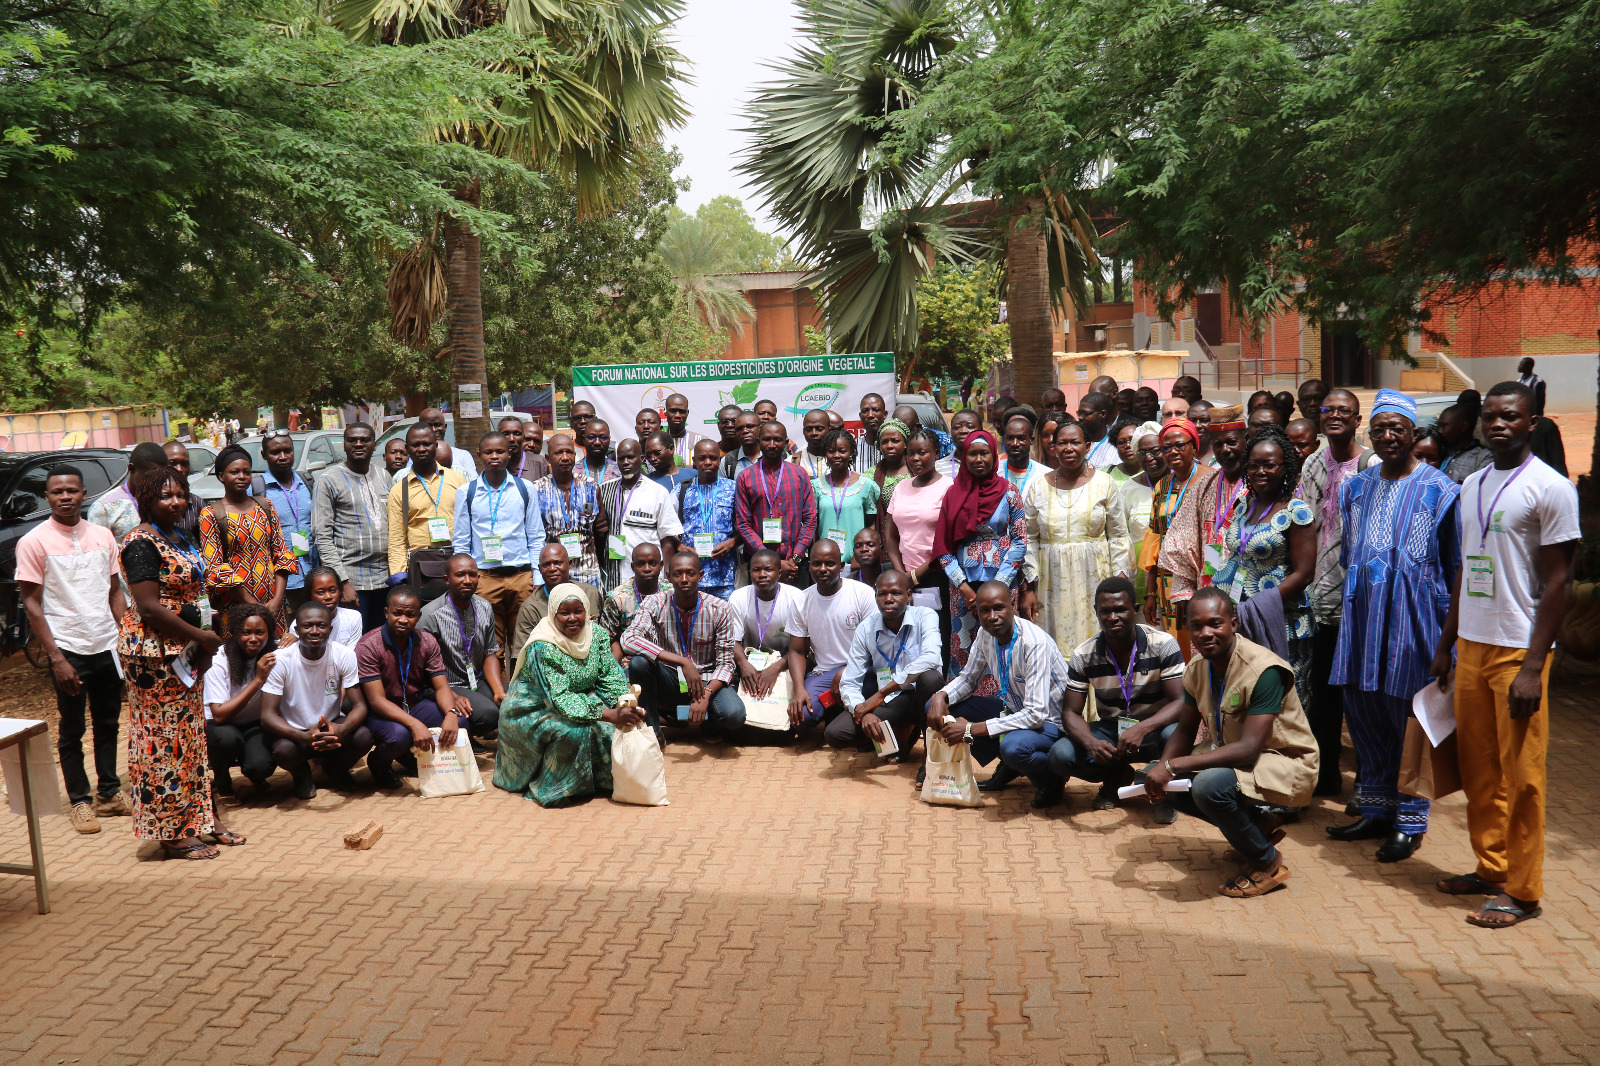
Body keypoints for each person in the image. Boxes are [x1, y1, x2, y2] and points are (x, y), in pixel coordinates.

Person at [1429, 381, 1579, 928]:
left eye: (1510, 417)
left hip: (1520, 651)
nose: (1498, 424)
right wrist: (1446, 644)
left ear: (1531, 422)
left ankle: (1524, 890)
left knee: (1523, 775)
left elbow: (1559, 582)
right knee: (1480, 770)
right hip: (1471, 643)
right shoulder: (1470, 485)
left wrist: (1535, 667)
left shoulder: (1552, 488)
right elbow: (1467, 570)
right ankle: (1491, 868)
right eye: (1490, 416)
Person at [1326, 390, 1460, 863]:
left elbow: (1456, 567)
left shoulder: (1441, 491)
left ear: (1413, 433)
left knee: (1409, 719)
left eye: (1396, 428)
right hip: (1363, 619)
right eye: (1379, 429)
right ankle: (1376, 809)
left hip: (1415, 622)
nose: (1387, 437)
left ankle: (1409, 820)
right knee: (1364, 713)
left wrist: (1447, 642)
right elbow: (1351, 557)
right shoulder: (1355, 490)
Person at [1142, 587, 1318, 897]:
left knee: (1208, 786)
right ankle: (1254, 828)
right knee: (1155, 779)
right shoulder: (1197, 668)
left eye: (1215, 623)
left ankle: (1267, 861)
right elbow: (1183, 732)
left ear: (1233, 623)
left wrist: (1172, 764)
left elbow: (1250, 747)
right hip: (1239, 758)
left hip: (1285, 761)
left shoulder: (1263, 671)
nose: (1205, 633)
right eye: (1196, 626)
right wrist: (1162, 769)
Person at [118, 465, 228, 858]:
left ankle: (199, 819)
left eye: (181, 494)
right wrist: (201, 636)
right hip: (153, 656)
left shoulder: (177, 534)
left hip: (183, 653)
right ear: (147, 499)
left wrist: (201, 641)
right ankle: (171, 831)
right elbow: (148, 607)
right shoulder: (140, 542)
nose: (176, 501)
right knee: (163, 742)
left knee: (190, 739)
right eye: (166, 496)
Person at [18, 464, 128, 833]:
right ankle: (80, 801)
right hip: (67, 648)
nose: (66, 497)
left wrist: (125, 635)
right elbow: (32, 603)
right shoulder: (34, 542)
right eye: (57, 492)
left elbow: (115, 591)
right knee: (72, 729)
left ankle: (109, 793)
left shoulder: (102, 536)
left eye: (72, 490)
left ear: (84, 494)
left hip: (106, 644)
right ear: (47, 497)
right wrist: (56, 658)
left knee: (109, 722)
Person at [1297, 389, 1380, 795]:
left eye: (1343, 411)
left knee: (1362, 696)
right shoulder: (1313, 461)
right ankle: (1326, 773)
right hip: (1319, 598)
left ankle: (1369, 784)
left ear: (1357, 418)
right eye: (1328, 410)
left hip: (1359, 599)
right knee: (1324, 694)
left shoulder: (1372, 465)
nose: (1334, 416)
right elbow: (1305, 521)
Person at [493, 582, 643, 806]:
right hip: (533, 707)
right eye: (565, 613)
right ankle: (556, 790)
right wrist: (609, 714)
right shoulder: (543, 646)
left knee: (613, 728)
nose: (572, 618)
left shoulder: (597, 635)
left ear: (586, 611)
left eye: (578, 611)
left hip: (578, 698)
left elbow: (610, 675)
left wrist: (625, 704)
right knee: (572, 732)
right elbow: (559, 699)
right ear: (553, 614)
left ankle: (600, 783)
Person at [1048, 577, 1186, 816]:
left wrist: (1142, 728)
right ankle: (1116, 776)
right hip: (1112, 731)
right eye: (1105, 611)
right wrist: (1092, 744)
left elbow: (1181, 701)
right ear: (1096, 612)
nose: (1113, 617)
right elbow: (1070, 712)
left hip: (1156, 729)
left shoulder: (1163, 644)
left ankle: (1165, 792)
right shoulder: (1084, 654)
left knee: (1176, 733)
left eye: (1121, 609)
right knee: (1060, 755)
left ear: (1135, 609)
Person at [927, 581, 1072, 807]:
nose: (992, 616)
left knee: (1013, 748)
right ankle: (1010, 764)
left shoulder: (1034, 643)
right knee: (938, 707)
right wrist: (940, 696)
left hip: (1051, 723)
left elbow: (1035, 714)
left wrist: (970, 729)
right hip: (1013, 711)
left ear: (1012, 605)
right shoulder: (986, 636)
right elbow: (968, 679)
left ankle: (1052, 779)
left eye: (999, 608)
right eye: (985, 610)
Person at [1212, 425, 1316, 710]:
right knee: (1244, 699)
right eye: (1254, 465)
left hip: (1281, 620)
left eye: (1269, 465)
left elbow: (1305, 573)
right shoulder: (1244, 505)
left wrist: (1258, 606)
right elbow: (1233, 555)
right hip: (1238, 620)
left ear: (1285, 467)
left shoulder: (1296, 511)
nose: (1260, 471)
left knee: (1282, 703)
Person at [357, 585, 495, 788]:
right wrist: (415, 724)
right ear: (386, 613)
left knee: (460, 724)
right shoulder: (369, 645)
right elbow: (376, 700)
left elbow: (441, 687)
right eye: (397, 613)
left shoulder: (427, 641)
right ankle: (378, 762)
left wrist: (451, 713)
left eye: (410, 615)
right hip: (381, 711)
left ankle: (424, 761)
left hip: (413, 703)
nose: (403, 620)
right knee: (399, 737)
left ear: (418, 616)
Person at [1022, 420, 1130, 660]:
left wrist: (1119, 583)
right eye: (1062, 443)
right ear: (1054, 446)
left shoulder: (1105, 483)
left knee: (1097, 645)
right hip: (1051, 582)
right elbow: (1028, 537)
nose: (1068, 448)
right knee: (1053, 647)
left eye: (1075, 442)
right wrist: (1029, 585)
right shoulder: (1038, 486)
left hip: (1095, 578)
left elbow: (1119, 535)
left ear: (1087, 446)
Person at [620, 550, 746, 741]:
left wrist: (705, 695)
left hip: (706, 679)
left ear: (701, 576)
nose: (684, 579)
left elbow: (726, 664)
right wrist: (682, 662)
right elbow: (628, 639)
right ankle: (653, 733)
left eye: (691, 573)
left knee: (734, 716)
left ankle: (707, 722)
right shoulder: (655, 602)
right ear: (668, 576)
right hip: (669, 678)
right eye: (678, 574)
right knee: (638, 663)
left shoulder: (720, 608)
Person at [938, 430, 1028, 679]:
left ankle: (1008, 702)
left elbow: (1020, 541)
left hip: (1003, 581)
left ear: (994, 456)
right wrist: (964, 586)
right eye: (972, 454)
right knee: (965, 645)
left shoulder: (1009, 492)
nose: (978, 459)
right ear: (964, 458)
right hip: (963, 588)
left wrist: (998, 584)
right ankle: (963, 704)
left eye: (984, 453)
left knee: (1003, 640)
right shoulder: (952, 494)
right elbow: (943, 549)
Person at [260, 599, 373, 798]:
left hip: (330, 724)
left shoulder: (344, 655)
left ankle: (335, 769)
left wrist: (341, 729)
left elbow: (360, 706)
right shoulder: (281, 660)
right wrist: (303, 736)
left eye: (321, 625)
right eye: (307, 626)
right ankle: (301, 774)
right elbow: (267, 716)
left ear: (330, 628)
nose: (314, 631)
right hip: (296, 731)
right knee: (282, 750)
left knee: (364, 736)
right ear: (296, 628)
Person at [831, 569, 944, 753]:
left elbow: (932, 657)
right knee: (836, 734)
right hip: (892, 701)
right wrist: (863, 711)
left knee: (931, 678)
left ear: (908, 596)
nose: (888, 599)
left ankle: (930, 754)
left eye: (896, 593)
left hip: (919, 696)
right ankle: (897, 737)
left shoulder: (925, 616)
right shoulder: (865, 628)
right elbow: (850, 681)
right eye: (882, 594)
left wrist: (882, 693)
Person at [1157, 402, 1249, 617]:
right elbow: (1181, 539)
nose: (1225, 450)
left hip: (1248, 590)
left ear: (1246, 442)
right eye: (1219, 444)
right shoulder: (1204, 486)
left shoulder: (1260, 484)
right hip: (1208, 588)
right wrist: (1184, 593)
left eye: (1231, 442)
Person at [451, 431, 538, 653]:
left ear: (509, 454)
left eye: (500, 451)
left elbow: (536, 536)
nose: (494, 456)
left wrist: (536, 578)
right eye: (488, 452)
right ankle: (498, 689)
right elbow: (461, 541)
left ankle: (523, 687)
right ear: (479, 454)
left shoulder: (525, 489)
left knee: (524, 643)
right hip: (485, 578)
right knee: (491, 646)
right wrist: (467, 579)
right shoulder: (466, 491)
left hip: (521, 576)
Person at [200, 444, 296, 637]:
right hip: (236, 606)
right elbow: (217, 569)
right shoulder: (211, 514)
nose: (242, 476)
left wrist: (276, 601)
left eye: (246, 472)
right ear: (221, 477)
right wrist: (254, 606)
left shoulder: (265, 506)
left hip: (272, 604)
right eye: (234, 472)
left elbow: (282, 556)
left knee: (275, 657)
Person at [784, 539, 877, 726]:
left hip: (863, 670)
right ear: (809, 567)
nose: (823, 569)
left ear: (842, 566)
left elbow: (875, 646)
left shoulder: (863, 594)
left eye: (830, 563)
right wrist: (799, 689)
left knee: (876, 695)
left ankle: (840, 714)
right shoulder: (802, 600)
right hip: (825, 674)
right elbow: (796, 651)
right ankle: (835, 709)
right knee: (801, 718)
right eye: (817, 564)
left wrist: (845, 672)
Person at [310, 422, 391, 632]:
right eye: (352, 440)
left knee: (380, 644)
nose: (358, 444)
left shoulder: (384, 476)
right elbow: (322, 537)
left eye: (365, 440)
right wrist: (343, 583)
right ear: (344, 445)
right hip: (353, 582)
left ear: (374, 445)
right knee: (354, 645)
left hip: (386, 581)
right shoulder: (328, 481)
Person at [418, 554, 506, 724]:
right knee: (489, 714)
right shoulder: (430, 615)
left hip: (476, 680)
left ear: (478, 578)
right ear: (447, 579)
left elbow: (489, 654)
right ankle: (468, 735)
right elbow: (423, 672)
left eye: (472, 575)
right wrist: (451, 695)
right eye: (460, 575)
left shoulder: (485, 607)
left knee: (514, 700)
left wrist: (498, 691)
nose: (467, 580)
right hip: (446, 685)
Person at [203, 604, 280, 799]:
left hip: (253, 723)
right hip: (221, 723)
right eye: (246, 633)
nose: (253, 639)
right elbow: (219, 714)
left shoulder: (275, 652)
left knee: (261, 766)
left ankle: (255, 775)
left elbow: (298, 645)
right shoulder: (220, 658)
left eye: (260, 633)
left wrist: (293, 637)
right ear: (236, 633)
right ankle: (222, 782)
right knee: (226, 739)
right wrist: (258, 680)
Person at [1142, 419, 1202, 657]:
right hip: (1167, 585)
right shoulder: (1162, 486)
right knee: (1176, 651)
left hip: (1201, 579)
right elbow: (1154, 539)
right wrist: (1150, 593)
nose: (1172, 452)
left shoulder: (1209, 479)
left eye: (1179, 445)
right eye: (1166, 448)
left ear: (1194, 446)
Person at [387, 424, 467, 598]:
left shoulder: (457, 480)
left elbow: (470, 524)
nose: (421, 449)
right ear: (407, 449)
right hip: (420, 569)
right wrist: (400, 578)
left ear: (436, 445)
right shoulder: (399, 490)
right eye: (415, 445)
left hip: (456, 563)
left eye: (427, 444)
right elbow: (396, 538)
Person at [734, 421, 817, 586]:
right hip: (761, 568)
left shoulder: (799, 474)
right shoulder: (745, 477)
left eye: (777, 440)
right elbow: (743, 524)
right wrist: (772, 561)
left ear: (786, 443)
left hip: (795, 566)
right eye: (767, 439)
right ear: (759, 441)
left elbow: (811, 518)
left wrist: (796, 558)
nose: (772, 445)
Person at [884, 429, 953, 614]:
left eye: (922, 453)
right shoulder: (901, 487)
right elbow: (891, 537)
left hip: (937, 575)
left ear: (936, 454)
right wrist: (902, 575)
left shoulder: (949, 488)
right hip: (904, 579)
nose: (915, 458)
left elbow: (948, 542)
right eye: (910, 453)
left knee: (937, 634)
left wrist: (915, 576)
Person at [598, 438, 682, 589]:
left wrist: (666, 575)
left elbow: (667, 538)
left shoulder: (657, 492)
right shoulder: (604, 490)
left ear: (642, 459)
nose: (625, 462)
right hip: (615, 577)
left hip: (649, 577)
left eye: (630, 457)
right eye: (621, 458)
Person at [531, 432, 605, 592]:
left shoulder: (591, 487)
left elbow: (601, 531)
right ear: (548, 458)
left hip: (588, 571)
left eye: (569, 452)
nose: (565, 457)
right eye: (558, 453)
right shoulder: (536, 489)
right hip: (554, 572)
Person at [510, 543, 606, 664]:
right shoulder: (530, 608)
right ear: (539, 569)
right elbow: (523, 656)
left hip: (593, 662)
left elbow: (606, 638)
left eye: (558, 563)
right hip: (551, 669)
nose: (552, 568)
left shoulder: (590, 594)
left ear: (569, 565)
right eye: (546, 565)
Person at [253, 429, 317, 612]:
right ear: (264, 455)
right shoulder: (256, 489)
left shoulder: (307, 482)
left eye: (287, 451)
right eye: (275, 452)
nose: (282, 457)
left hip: (312, 574)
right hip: (281, 582)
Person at [730, 548, 806, 700]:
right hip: (750, 659)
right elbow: (734, 641)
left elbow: (801, 648)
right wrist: (744, 664)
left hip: (786, 659)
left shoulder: (796, 597)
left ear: (779, 573)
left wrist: (775, 668)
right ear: (750, 572)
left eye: (768, 569)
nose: (762, 575)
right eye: (756, 570)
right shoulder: (738, 597)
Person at [676, 439, 739, 601]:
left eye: (713, 458)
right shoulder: (682, 490)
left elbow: (746, 525)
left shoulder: (733, 489)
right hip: (690, 578)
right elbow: (667, 527)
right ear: (694, 462)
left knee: (724, 623)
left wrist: (732, 543)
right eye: (702, 458)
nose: (708, 462)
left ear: (720, 460)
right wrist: (680, 546)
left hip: (724, 578)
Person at [812, 427, 879, 568]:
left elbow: (871, 524)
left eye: (842, 451)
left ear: (851, 453)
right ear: (825, 454)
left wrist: (861, 555)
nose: (836, 455)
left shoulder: (866, 485)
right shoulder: (816, 486)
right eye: (831, 451)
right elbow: (814, 526)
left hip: (857, 562)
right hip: (826, 563)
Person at [89, 441, 171, 541]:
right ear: (131, 469)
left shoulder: (165, 500)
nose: (157, 481)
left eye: (161, 475)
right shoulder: (104, 507)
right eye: (151, 475)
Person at [599, 543, 663, 661]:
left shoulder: (671, 593)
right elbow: (607, 638)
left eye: (652, 563)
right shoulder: (617, 598)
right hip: (631, 660)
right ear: (633, 567)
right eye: (641, 564)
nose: (647, 568)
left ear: (661, 565)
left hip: (668, 660)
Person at [290, 566, 364, 648]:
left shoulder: (352, 617)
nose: (328, 596)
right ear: (310, 595)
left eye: (332, 590)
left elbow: (351, 654)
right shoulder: (299, 623)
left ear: (339, 591)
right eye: (321, 592)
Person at [866, 418, 911, 536]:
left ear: (905, 443)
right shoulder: (870, 476)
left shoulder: (918, 471)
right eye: (884, 442)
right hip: (885, 542)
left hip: (915, 539)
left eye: (895, 441)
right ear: (879, 446)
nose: (889, 445)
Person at [413, 408, 477, 478]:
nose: (434, 429)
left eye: (437, 425)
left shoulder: (463, 456)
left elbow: (473, 483)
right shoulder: (413, 457)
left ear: (445, 427)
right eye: (428, 426)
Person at [1439, 404, 1492, 484]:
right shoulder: (1440, 451)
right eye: (1439, 426)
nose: (1440, 431)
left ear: (1463, 426)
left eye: (1444, 426)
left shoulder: (1483, 457)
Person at [162, 441, 205, 538]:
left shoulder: (197, 503)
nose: (180, 469)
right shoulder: (151, 503)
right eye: (173, 463)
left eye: (184, 464)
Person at [1000, 413, 1051, 494]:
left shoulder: (1046, 476)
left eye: (1021, 438)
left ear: (1032, 440)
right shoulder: (994, 471)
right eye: (1010, 438)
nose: (1015, 443)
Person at [1076, 391, 1119, 469]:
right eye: (1079, 413)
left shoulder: (1116, 445)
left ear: (1102, 414)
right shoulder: (1074, 441)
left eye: (1085, 413)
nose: (1080, 417)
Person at [662, 393, 707, 465]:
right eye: (673, 411)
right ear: (665, 412)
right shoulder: (657, 441)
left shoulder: (701, 440)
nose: (677, 415)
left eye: (682, 411)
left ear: (687, 413)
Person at [937, 410, 981, 479]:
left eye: (970, 426)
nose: (963, 431)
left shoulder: (990, 465)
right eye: (957, 427)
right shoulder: (938, 468)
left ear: (981, 431)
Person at [720, 410, 762, 480]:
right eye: (739, 429)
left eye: (750, 426)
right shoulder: (727, 461)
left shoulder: (772, 456)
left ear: (760, 429)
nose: (745, 431)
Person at [794, 409, 832, 479]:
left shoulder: (840, 461)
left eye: (819, 429)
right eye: (808, 429)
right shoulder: (792, 462)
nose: (814, 433)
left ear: (829, 430)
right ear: (803, 431)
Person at [579, 420, 621, 484]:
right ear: (584, 439)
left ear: (609, 440)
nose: (597, 442)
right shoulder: (573, 472)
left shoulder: (619, 471)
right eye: (591, 437)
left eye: (603, 438)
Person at [856, 393, 889, 470]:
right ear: (860, 416)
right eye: (865, 411)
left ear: (885, 414)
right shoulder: (852, 447)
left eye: (875, 410)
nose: (870, 415)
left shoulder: (893, 446)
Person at [1187, 398, 1216, 468]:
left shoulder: (1223, 455)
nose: (1197, 425)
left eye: (1204, 420)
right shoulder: (1183, 456)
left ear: (1214, 422)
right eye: (1192, 420)